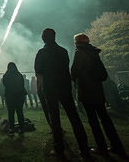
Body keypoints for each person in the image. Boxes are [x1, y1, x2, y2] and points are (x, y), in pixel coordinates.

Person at [34, 28, 91, 160]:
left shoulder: (42, 52)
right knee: (74, 116)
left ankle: (59, 148)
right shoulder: (63, 51)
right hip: (65, 87)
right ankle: (84, 147)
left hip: (50, 89)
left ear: (43, 38)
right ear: (54, 37)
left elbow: (38, 70)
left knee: (54, 117)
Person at [71, 33, 127, 157]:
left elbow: (74, 71)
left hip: (86, 90)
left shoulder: (80, 53)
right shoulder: (94, 52)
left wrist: (75, 80)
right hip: (97, 89)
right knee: (105, 118)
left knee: (93, 120)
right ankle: (116, 145)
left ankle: (101, 147)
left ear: (77, 42)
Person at [3, 62, 26, 136]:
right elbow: (22, 84)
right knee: (20, 112)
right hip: (20, 96)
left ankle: (11, 129)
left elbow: (5, 84)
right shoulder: (19, 75)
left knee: (11, 113)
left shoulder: (6, 75)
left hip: (10, 96)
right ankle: (21, 129)